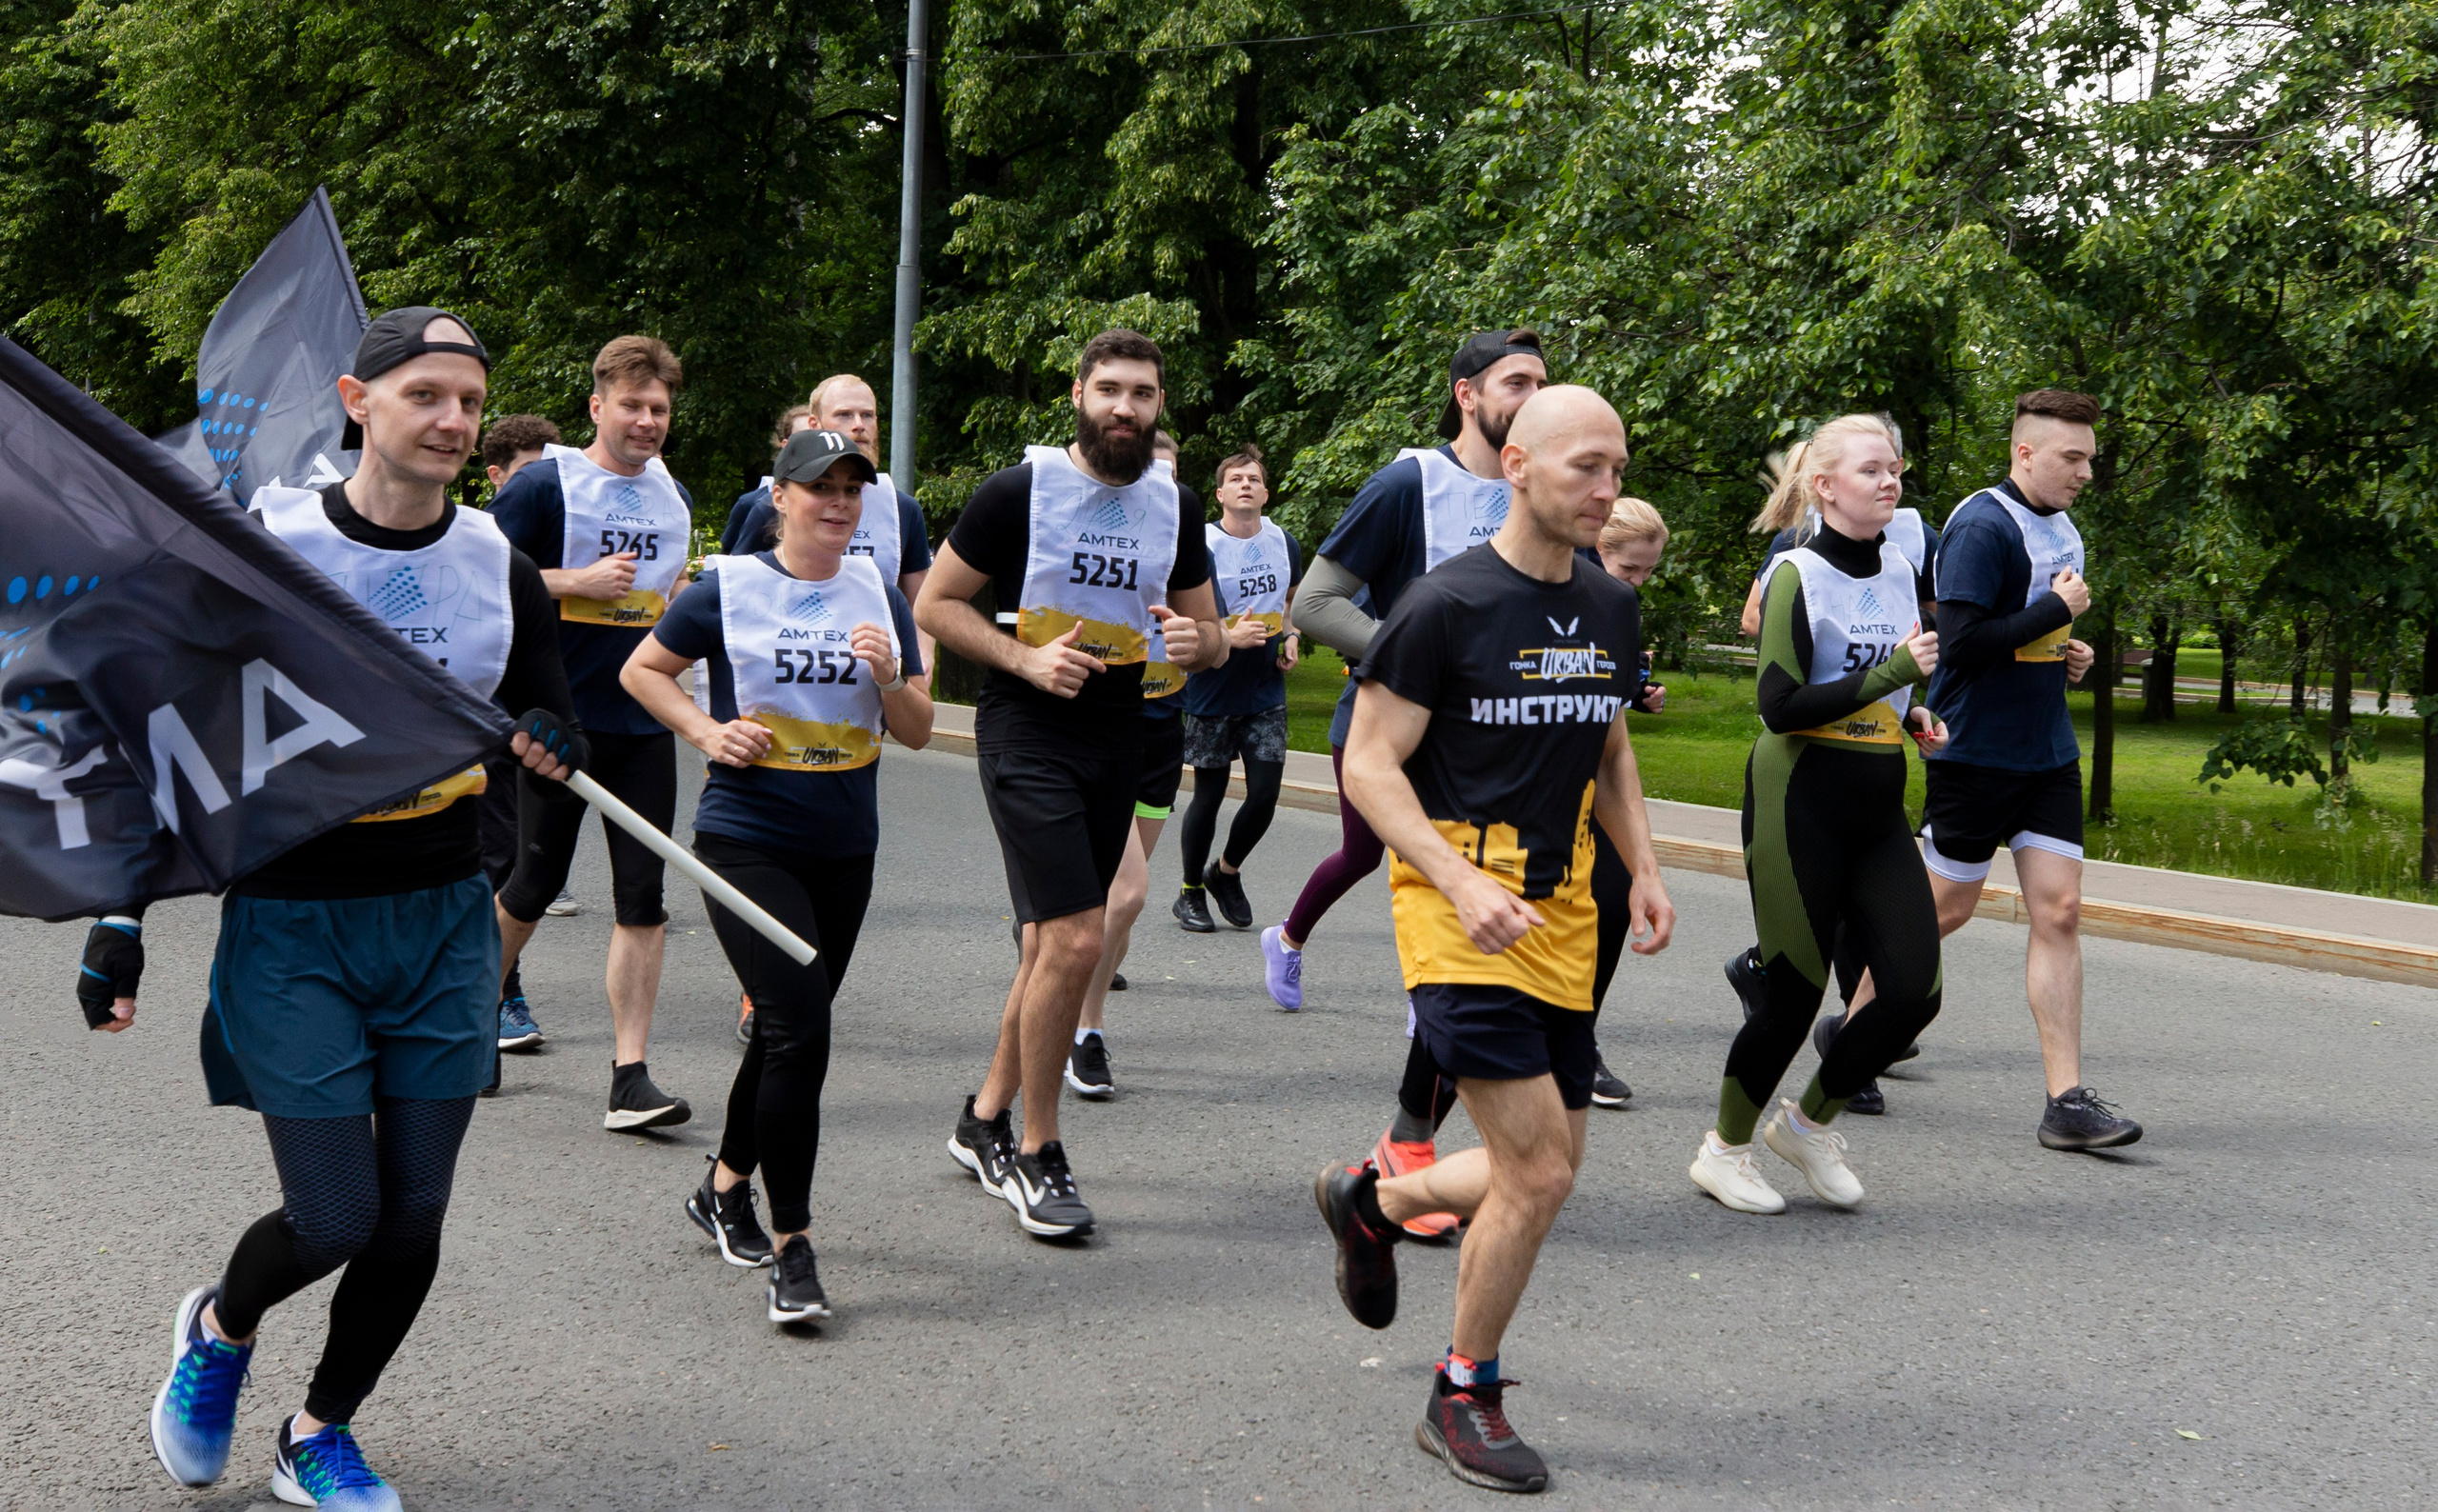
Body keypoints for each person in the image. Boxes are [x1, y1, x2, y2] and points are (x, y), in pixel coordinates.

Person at [123, 308, 583, 1508]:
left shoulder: (500, 565)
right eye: (425, 394)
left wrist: (550, 740)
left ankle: (318, 1430)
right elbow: (165, 733)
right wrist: (121, 919)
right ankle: (220, 1330)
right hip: (293, 920)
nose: (451, 420)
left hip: (438, 919)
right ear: (356, 399)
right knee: (334, 1214)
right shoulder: (262, 548)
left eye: (471, 403)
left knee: (413, 1212)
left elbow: (547, 710)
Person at [1312, 386, 1674, 1495]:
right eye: (1585, 468)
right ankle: (1462, 1391)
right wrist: (1457, 878)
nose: (1607, 490)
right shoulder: (1445, 605)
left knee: (1551, 1167)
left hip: (1562, 906)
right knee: (1537, 1172)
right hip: (1458, 905)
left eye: (1617, 468)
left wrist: (1646, 867)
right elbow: (1368, 764)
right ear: (1516, 464)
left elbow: (1607, 744)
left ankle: (1370, 1200)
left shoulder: (1610, 606)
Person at [622, 427, 933, 1323]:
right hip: (746, 836)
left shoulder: (876, 590)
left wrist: (888, 677)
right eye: (819, 486)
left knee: (787, 1032)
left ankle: (722, 1184)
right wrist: (707, 733)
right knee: (800, 1030)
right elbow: (644, 670)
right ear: (781, 498)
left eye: (852, 488)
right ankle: (793, 1248)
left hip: (846, 841)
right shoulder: (731, 586)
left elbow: (914, 729)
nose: (838, 501)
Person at [919, 329, 1222, 1238]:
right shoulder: (1021, 491)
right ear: (1080, 395)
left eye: (1142, 393)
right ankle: (1037, 1152)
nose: (1125, 408)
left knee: (1053, 947)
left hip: (1119, 727)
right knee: (1076, 940)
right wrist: (1022, 657)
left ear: (1160, 407)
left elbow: (1208, 635)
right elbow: (935, 604)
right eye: (1110, 390)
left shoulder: (1178, 505)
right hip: (1026, 723)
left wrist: (1193, 644)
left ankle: (980, 1122)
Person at [1278, 328, 1547, 1240]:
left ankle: (1418, 1142)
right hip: (1398, 751)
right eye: (1519, 381)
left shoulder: (1536, 490)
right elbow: (1311, 605)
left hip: (1504, 757)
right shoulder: (1408, 485)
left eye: (1545, 382)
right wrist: (1432, 664)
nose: (1537, 394)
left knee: (1480, 957)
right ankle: (1408, 1148)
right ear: (1467, 395)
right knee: (1456, 957)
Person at [1840, 388, 2140, 1152]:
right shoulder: (1981, 524)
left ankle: (2065, 1102)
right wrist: (2051, 615)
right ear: (2025, 452)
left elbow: (2032, 634)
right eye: (2072, 458)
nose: (2084, 474)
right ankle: (1849, 1037)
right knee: (1941, 912)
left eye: (2090, 459)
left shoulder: (2063, 529)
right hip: (1974, 756)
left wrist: (2070, 653)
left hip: (2047, 756)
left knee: (2060, 911)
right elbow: (1961, 641)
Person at [1686, 414, 1952, 1217]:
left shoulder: (1904, 564)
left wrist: (1914, 712)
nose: (1890, 479)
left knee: (1913, 991)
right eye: (1871, 469)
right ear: (1826, 486)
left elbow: (1889, 676)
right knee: (1796, 993)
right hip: (1796, 797)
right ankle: (1723, 1150)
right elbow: (1781, 704)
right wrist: (1896, 675)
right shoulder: (1797, 574)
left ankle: (1805, 1126)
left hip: (1876, 801)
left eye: (1895, 468)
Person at [490, 335, 696, 1132]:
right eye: (634, 407)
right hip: (558, 720)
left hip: (641, 723)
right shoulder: (546, 486)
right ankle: (472, 1020)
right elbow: (478, 577)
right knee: (531, 887)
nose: (647, 423)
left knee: (644, 898)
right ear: (597, 407)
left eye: (660, 410)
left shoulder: (671, 497)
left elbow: (663, 600)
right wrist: (572, 580)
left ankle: (630, 1076)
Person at [1065, 430, 1199, 1100]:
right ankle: (1084, 1028)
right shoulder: (1101, 543)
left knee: (1113, 905)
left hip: (1161, 735)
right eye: (1155, 480)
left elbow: (1215, 639)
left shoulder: (1183, 551)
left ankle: (1061, 964)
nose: (1161, 494)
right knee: (1130, 891)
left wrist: (1202, 638)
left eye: (1171, 483)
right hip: (1099, 729)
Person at [723, 374, 934, 677]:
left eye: (868, 415)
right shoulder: (775, 506)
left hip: (871, 669)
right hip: (788, 667)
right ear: (814, 425)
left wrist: (923, 655)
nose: (859, 424)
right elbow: (734, 595)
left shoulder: (903, 508)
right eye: (844, 415)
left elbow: (920, 604)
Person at [1172, 443, 1303, 934]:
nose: (1246, 484)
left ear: (1265, 493)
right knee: (1209, 795)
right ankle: (1189, 893)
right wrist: (1227, 634)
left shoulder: (1283, 541)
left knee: (1266, 794)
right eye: (1237, 478)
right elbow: (1186, 617)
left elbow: (1290, 602)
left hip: (1265, 689)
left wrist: (1289, 634)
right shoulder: (1202, 547)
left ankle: (1224, 872)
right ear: (1221, 493)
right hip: (1212, 688)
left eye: (1254, 478)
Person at [472, 415, 570, 1058]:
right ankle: (497, 996)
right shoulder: (475, 538)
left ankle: (491, 989)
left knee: (516, 858)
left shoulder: (565, 520)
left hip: (549, 707)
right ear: (497, 475)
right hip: (483, 712)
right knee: (492, 856)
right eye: (529, 470)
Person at [1581, 498, 1671, 1107]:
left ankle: (1577, 1040)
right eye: (1631, 569)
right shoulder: (1544, 587)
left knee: (1613, 906)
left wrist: (1637, 691)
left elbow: (1610, 700)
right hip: (1525, 786)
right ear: (1598, 548)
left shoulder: (1618, 605)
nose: (1638, 582)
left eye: (1647, 572)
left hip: (1595, 774)